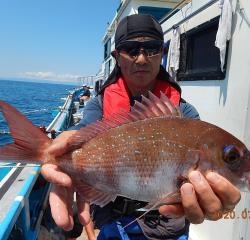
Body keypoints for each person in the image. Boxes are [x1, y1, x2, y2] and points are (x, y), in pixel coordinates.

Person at [41, 14, 241, 239]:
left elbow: (199, 197)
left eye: (152, 48)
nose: (142, 58)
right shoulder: (98, 105)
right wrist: (59, 157)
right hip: (111, 224)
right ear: (117, 56)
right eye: (131, 49)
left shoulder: (185, 114)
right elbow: (83, 132)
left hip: (168, 230)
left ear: (162, 53)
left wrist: (212, 207)